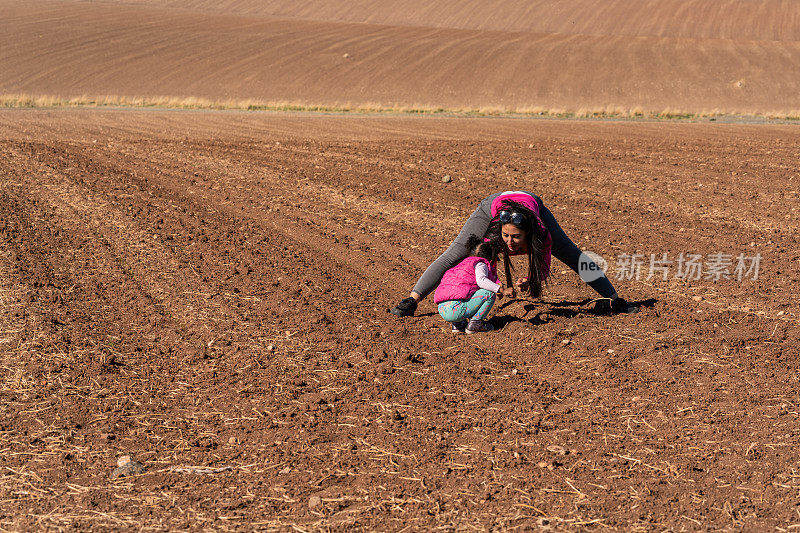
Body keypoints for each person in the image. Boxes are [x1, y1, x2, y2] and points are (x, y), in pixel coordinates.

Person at [390, 190, 639, 317]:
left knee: (573, 255)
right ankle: (412, 299)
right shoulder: (495, 229)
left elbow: (543, 266)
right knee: (456, 252)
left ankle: (615, 300)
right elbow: (473, 257)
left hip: (532, 203)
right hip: (493, 205)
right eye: (506, 237)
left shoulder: (541, 233)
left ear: (529, 235)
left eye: (516, 238)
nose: (509, 244)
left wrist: (532, 280)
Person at [434, 235, 514, 334]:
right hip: (456, 310)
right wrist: (501, 290)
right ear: (489, 257)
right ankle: (476, 324)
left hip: (442, 309)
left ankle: (458, 324)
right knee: (489, 294)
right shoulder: (480, 264)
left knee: (465, 291)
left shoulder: (463, 265)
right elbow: (481, 280)